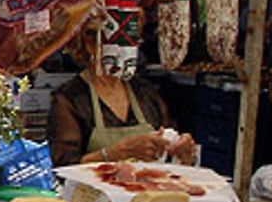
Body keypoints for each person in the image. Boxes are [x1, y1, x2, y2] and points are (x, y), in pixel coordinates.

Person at [47, 17, 197, 167]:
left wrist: (183, 151)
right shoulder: (69, 99)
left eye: (131, 43)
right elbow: (64, 167)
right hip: (92, 190)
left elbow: (170, 147)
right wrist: (115, 154)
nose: (125, 51)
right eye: (118, 43)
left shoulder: (144, 92)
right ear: (90, 43)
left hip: (147, 189)